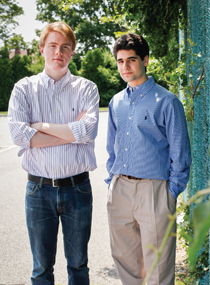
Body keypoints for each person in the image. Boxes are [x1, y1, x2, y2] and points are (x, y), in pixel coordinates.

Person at [8, 22, 99, 284]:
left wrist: (40, 128)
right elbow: (18, 137)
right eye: (53, 46)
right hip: (38, 192)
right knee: (41, 269)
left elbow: (88, 132)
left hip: (78, 189)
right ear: (41, 49)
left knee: (79, 266)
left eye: (65, 47)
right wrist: (71, 133)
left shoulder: (87, 89)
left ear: (72, 52)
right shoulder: (24, 89)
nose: (58, 52)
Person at [105, 33, 192, 285]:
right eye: (120, 61)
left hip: (154, 191)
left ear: (145, 60)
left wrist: (171, 192)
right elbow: (112, 147)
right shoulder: (116, 102)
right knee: (125, 260)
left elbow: (181, 153)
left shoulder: (167, 101)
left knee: (158, 266)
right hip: (120, 189)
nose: (125, 67)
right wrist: (111, 180)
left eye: (131, 60)